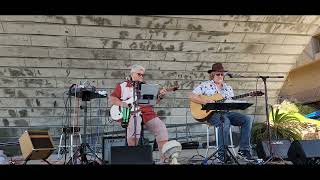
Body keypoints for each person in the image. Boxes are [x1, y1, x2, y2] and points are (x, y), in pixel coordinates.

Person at [188, 63, 254, 162]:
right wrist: (205, 102)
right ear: (212, 75)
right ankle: (222, 154)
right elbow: (191, 95)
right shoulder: (205, 85)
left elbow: (230, 103)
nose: (220, 76)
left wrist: (241, 101)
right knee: (225, 122)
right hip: (212, 114)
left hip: (226, 112)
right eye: (218, 74)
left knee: (247, 119)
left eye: (222, 74)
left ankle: (244, 150)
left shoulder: (228, 88)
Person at [109, 64, 169, 163]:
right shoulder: (122, 86)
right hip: (131, 113)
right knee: (134, 129)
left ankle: (164, 160)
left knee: (161, 128)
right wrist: (122, 104)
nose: (141, 76)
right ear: (132, 74)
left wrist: (160, 96)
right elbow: (112, 99)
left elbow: (153, 101)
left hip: (146, 112)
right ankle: (134, 159)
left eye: (142, 75)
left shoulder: (146, 87)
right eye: (139, 74)